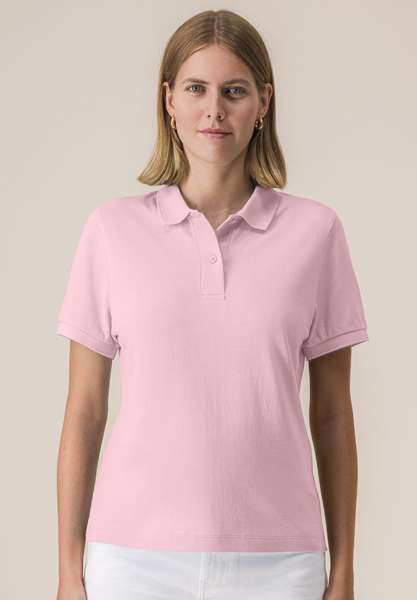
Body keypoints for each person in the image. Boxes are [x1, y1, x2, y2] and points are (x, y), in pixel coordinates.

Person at [54, 9, 369, 600]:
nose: (214, 110)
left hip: (280, 562)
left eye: (235, 91)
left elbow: (332, 413)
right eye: (196, 88)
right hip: (133, 560)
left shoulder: (316, 232)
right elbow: (85, 410)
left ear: (264, 102)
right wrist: (70, 572)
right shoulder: (112, 231)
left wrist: (344, 569)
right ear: (169, 100)